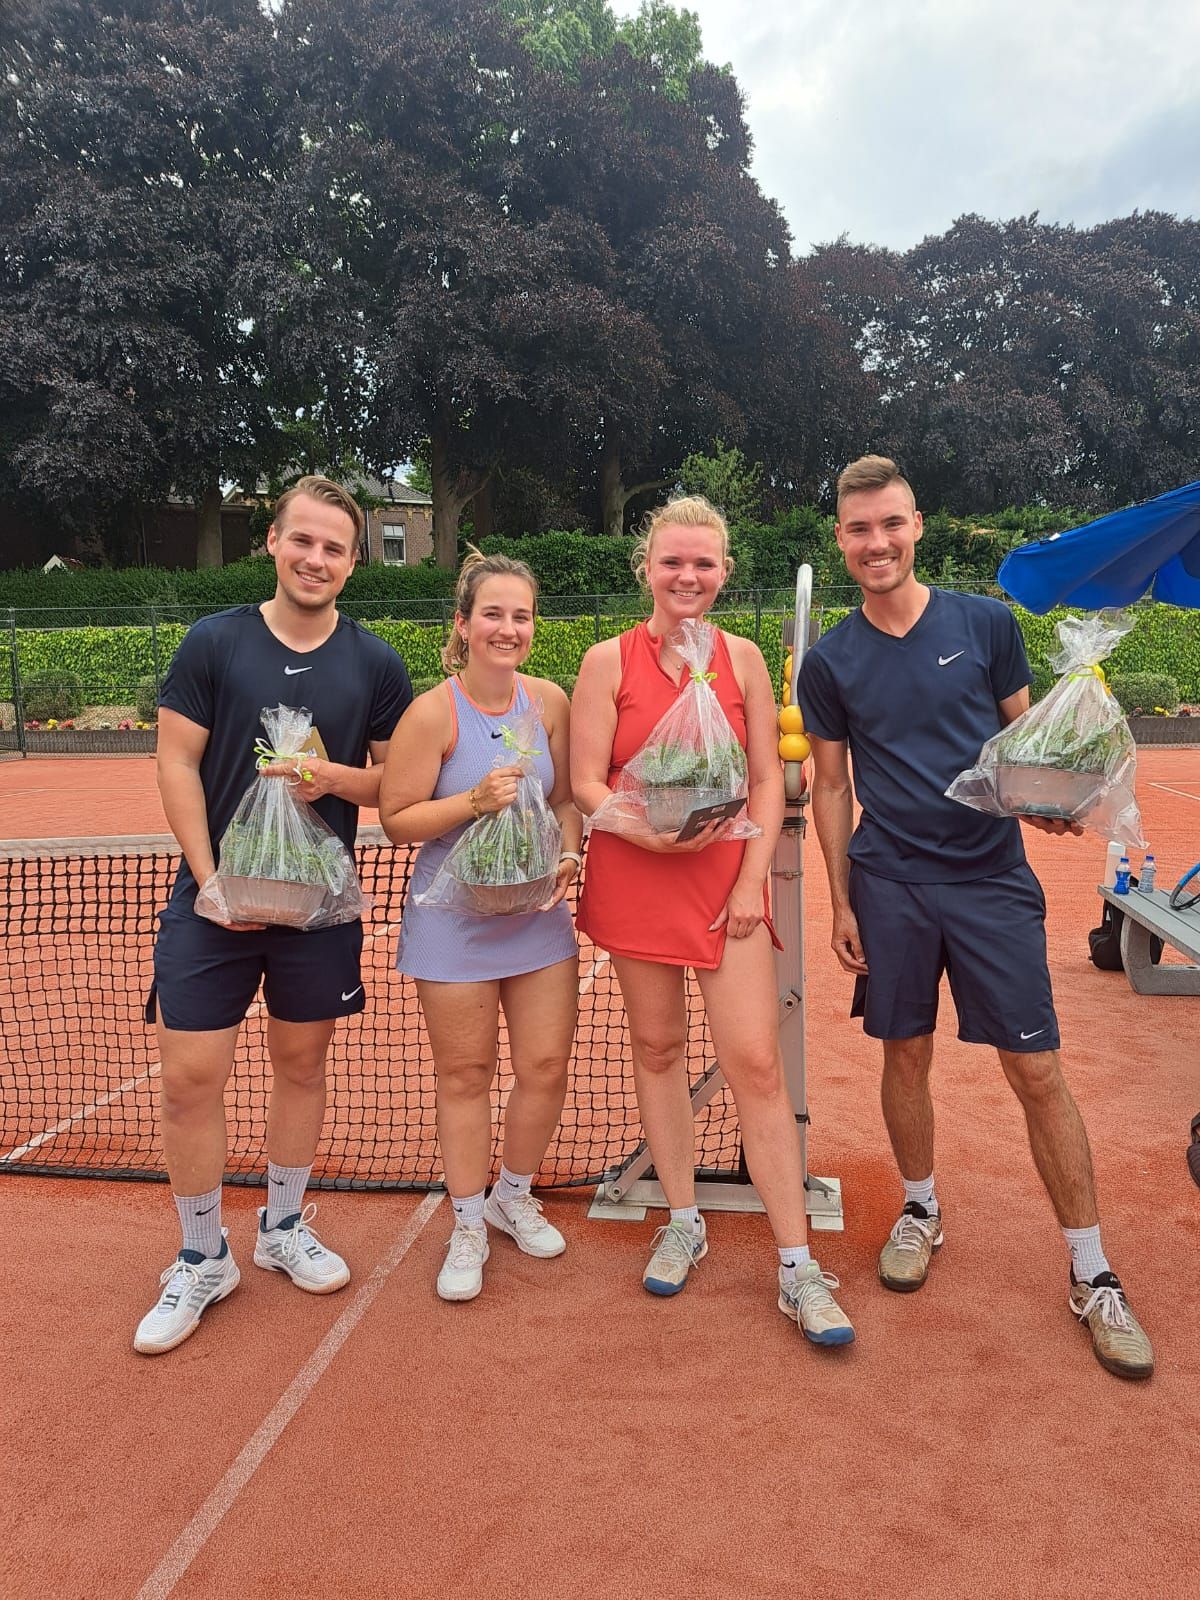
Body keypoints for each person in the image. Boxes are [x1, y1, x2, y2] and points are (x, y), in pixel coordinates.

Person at [799, 453, 1153, 1379]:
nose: (877, 542)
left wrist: (1057, 798)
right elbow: (830, 785)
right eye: (859, 528)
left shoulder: (986, 624)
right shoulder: (829, 660)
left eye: (891, 523)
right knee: (903, 1053)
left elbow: (1028, 744)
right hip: (889, 884)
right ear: (840, 540)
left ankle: (1092, 1270)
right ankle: (921, 1208)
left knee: (1036, 1069)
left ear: (917, 526)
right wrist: (840, 898)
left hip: (991, 880)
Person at [134, 476, 412, 1356]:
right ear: (273, 541)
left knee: (300, 1065)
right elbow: (175, 762)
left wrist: (328, 777)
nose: (315, 559)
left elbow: (396, 785)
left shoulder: (375, 663)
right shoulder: (214, 641)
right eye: (303, 541)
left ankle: (283, 1226)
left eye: (334, 548)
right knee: (190, 1078)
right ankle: (201, 1253)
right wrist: (209, 880)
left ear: (354, 562)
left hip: (318, 908)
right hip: (211, 904)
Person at [571, 496, 853, 1345]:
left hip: (725, 890)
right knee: (657, 1049)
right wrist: (646, 831)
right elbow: (586, 783)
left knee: (756, 1064)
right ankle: (683, 1219)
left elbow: (766, 780)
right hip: (635, 879)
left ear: (724, 572)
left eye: (703, 563)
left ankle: (797, 1266)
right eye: (672, 562)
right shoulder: (606, 661)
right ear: (646, 569)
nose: (686, 576)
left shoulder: (745, 659)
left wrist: (747, 883)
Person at [379, 551, 580, 1302]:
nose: (507, 628)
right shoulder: (432, 713)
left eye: (520, 615)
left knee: (546, 1067)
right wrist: (473, 802)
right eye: (492, 614)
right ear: (463, 625)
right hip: (451, 922)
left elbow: (564, 800)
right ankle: (467, 1220)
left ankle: (512, 1196)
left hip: (536, 916)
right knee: (465, 1076)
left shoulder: (550, 702)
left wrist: (569, 853)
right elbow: (397, 819)